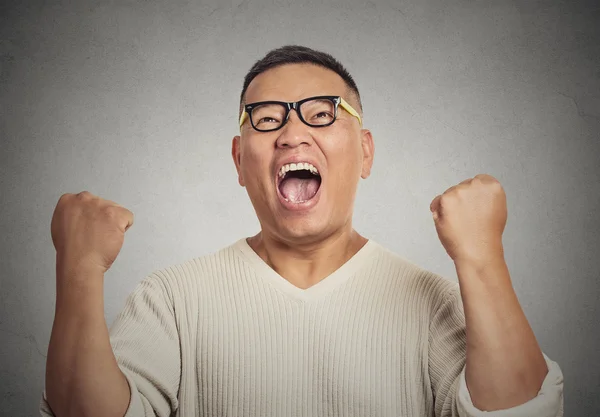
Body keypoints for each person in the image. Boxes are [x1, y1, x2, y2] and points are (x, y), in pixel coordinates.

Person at [40, 45, 564, 417]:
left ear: (364, 152)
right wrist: (79, 267)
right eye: (267, 119)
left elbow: (520, 413)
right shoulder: (172, 301)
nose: (293, 134)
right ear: (240, 159)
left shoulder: (433, 304)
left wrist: (482, 258)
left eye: (322, 114)